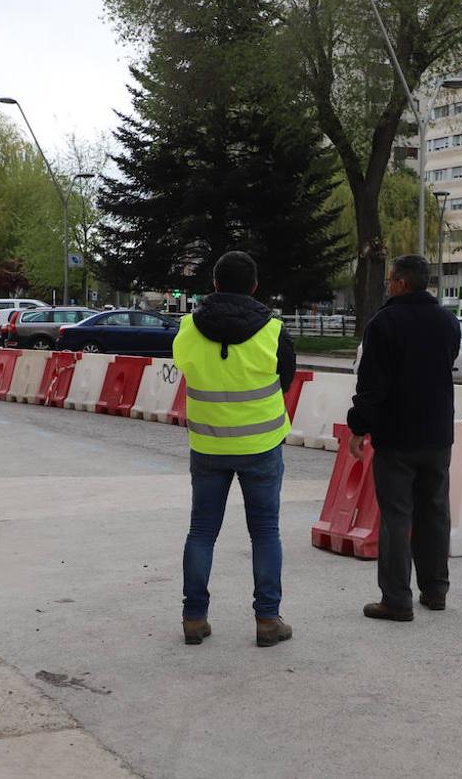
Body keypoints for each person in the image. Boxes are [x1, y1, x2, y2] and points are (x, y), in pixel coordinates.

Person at [172, 251, 296, 648]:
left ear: (215, 283)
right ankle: (267, 620)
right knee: (265, 532)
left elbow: (185, 369)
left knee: (202, 531)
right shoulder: (274, 331)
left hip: (207, 445)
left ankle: (194, 618)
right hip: (261, 445)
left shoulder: (188, 327)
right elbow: (286, 379)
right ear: (255, 286)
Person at [347, 254, 462, 621]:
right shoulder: (447, 322)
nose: (387, 286)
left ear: (401, 283)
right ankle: (436, 590)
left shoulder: (384, 323)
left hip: (397, 437)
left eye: (389, 281)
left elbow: (371, 386)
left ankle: (396, 599)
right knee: (435, 511)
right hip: (438, 435)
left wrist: (358, 427)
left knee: (397, 516)